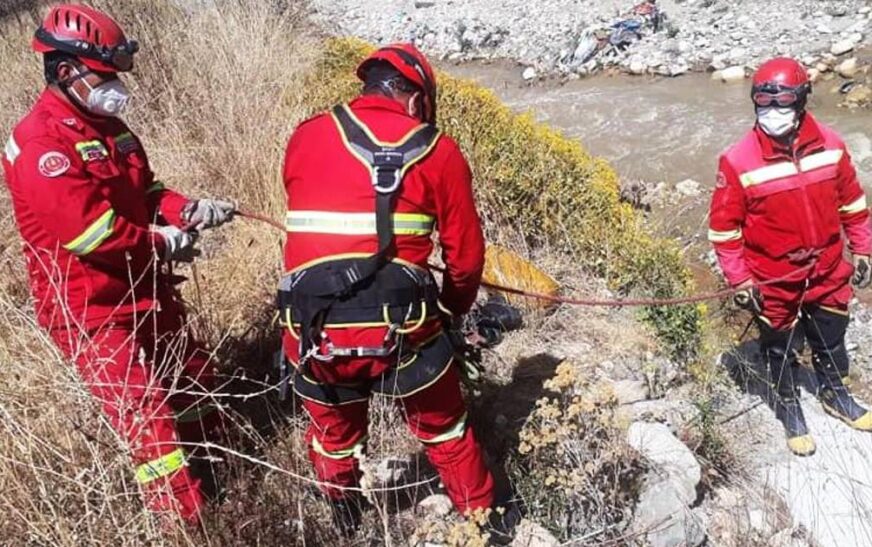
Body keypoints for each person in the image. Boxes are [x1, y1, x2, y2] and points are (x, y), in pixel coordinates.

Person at [2, 4, 236, 524]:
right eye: (104, 74)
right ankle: (187, 522)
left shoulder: (111, 126)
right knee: (148, 417)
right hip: (91, 309)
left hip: (143, 287)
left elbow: (145, 191)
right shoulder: (42, 145)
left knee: (193, 378)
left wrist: (187, 209)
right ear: (67, 72)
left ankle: (224, 475)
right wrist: (163, 243)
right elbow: (91, 233)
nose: (115, 85)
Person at [279, 43, 516, 538]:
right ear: (415, 98)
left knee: (333, 430)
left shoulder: (306, 136)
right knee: (443, 426)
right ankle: (484, 518)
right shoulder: (438, 150)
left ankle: (341, 510)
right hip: (405, 328)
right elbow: (466, 259)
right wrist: (449, 315)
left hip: (314, 325)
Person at [708, 57, 872, 457]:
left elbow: (852, 204)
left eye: (781, 104)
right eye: (763, 104)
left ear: (801, 102)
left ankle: (835, 394)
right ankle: (789, 409)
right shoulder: (738, 160)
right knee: (778, 347)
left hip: (828, 268)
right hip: (773, 277)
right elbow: (724, 232)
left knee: (831, 337)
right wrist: (740, 280)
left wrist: (863, 247)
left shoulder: (831, 147)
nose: (772, 113)